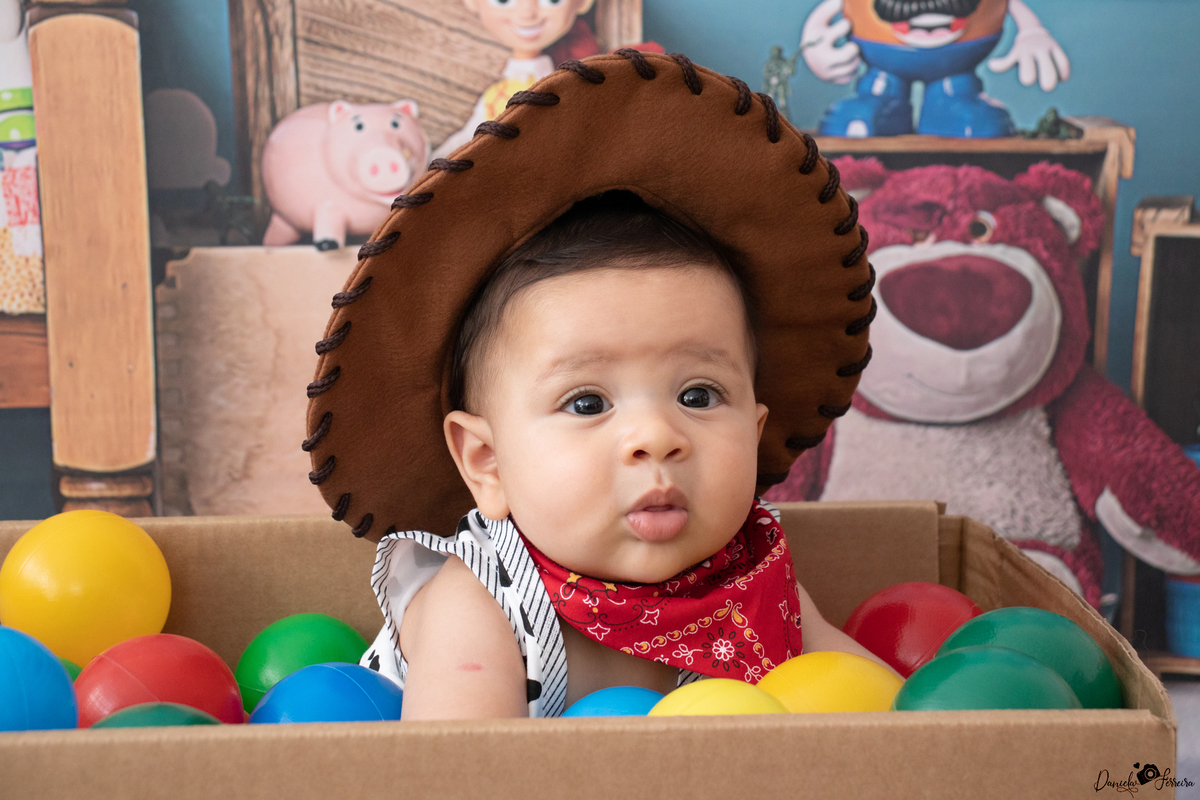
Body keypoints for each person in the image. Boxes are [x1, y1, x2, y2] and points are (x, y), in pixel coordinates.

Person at [304, 51, 881, 718]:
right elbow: (454, 775)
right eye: (587, 403)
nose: (657, 438)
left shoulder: (753, 577)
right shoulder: (479, 601)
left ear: (753, 432)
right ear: (487, 464)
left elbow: (874, 711)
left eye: (698, 396)